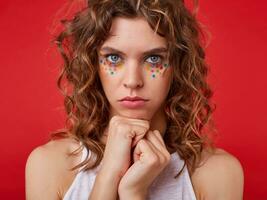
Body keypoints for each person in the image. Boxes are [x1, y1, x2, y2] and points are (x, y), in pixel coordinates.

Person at [25, 0, 244, 199]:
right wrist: (108, 177)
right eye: (113, 57)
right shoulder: (49, 165)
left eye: (153, 58)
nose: (132, 81)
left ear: (178, 66)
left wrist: (134, 193)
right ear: (93, 65)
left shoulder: (218, 172)